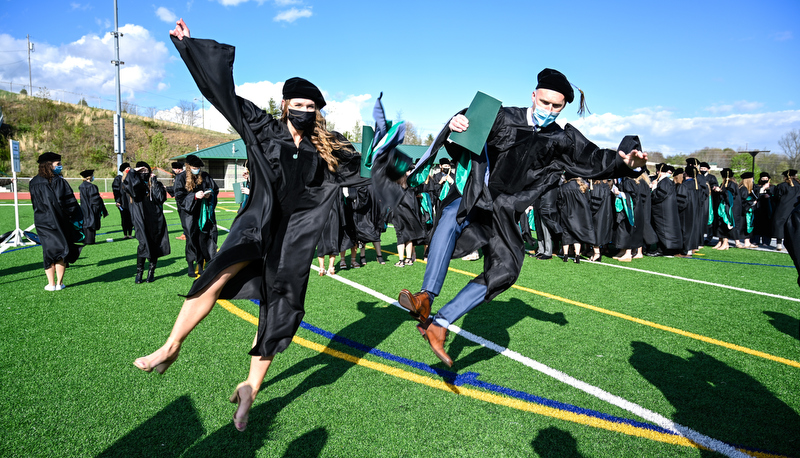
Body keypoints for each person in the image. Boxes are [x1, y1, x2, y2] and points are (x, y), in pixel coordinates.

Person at [134, 19, 367, 432]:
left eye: (313, 108)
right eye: (299, 104)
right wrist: (188, 48)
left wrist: (443, 135)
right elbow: (223, 95)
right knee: (215, 274)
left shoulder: (331, 147)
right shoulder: (263, 128)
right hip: (257, 225)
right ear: (285, 105)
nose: (306, 111)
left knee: (280, 311)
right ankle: (170, 346)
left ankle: (249, 392)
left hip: (291, 240)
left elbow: (371, 171)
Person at [397, 68, 646, 366]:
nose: (549, 110)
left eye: (556, 106)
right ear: (533, 96)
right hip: (477, 195)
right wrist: (454, 124)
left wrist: (624, 163)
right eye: (544, 103)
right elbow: (462, 130)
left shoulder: (561, 139)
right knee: (451, 216)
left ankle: (439, 325)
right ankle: (426, 297)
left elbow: (593, 159)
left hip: (504, 210)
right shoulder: (501, 117)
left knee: (506, 271)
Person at [30, 152, 83, 291]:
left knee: (48, 250)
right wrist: (75, 216)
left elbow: (34, 204)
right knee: (62, 249)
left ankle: (51, 284)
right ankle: (59, 283)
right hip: (60, 221)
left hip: (42, 221)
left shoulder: (33, 182)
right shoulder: (59, 181)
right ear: (49, 165)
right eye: (58, 164)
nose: (60, 166)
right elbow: (68, 203)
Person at [123, 161, 171, 283]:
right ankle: (139, 272)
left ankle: (151, 272)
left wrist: (154, 182)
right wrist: (134, 171)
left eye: (146, 171)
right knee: (143, 245)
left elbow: (160, 198)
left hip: (155, 219)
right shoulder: (136, 185)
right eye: (141, 171)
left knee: (154, 244)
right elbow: (129, 185)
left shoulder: (155, 184)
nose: (144, 173)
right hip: (140, 219)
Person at [174, 154, 219, 277]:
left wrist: (209, 194)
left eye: (198, 167)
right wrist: (193, 196)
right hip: (189, 214)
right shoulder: (181, 178)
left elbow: (214, 189)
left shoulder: (204, 176)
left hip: (203, 212)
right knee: (191, 239)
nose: (196, 169)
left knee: (203, 239)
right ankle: (190, 265)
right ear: (188, 166)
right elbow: (179, 196)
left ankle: (200, 266)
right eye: (194, 167)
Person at [556, 177, 594, 263]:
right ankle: (577, 256)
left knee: (566, 233)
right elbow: (588, 201)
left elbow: (559, 201)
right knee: (577, 235)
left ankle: (565, 256)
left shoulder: (563, 187)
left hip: (566, 213)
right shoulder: (582, 187)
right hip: (579, 214)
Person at [771, 170, 800, 251]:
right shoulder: (799, 185)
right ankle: (791, 245)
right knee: (793, 225)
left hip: (783, 208)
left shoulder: (782, 185)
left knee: (780, 224)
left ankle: (779, 244)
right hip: (795, 208)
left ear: (785, 177)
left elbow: (777, 197)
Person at [711, 168, 739, 250]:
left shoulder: (731, 184)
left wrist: (721, 190)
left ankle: (725, 243)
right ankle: (720, 242)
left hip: (728, 207)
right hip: (722, 206)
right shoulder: (724, 183)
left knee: (725, 224)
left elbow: (730, 194)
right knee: (720, 224)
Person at [78, 169, 108, 245]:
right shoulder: (92, 186)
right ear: (90, 177)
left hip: (84, 207)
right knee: (92, 222)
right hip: (92, 207)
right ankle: (90, 240)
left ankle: (85, 240)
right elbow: (95, 199)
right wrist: (99, 207)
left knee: (86, 222)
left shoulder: (81, 186)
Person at [166, 161, 189, 240]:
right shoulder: (183, 175)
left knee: (184, 218)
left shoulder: (181, 176)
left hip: (183, 201)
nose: (173, 170)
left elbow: (178, 189)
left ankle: (186, 234)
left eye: (174, 169)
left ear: (179, 169)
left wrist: (167, 188)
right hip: (185, 200)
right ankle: (185, 233)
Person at [112, 162, 134, 239]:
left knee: (131, 217)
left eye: (129, 167)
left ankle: (130, 234)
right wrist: (117, 201)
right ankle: (125, 234)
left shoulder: (131, 177)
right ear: (123, 170)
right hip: (122, 201)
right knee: (124, 217)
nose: (129, 169)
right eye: (127, 168)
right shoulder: (118, 179)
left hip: (130, 200)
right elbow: (116, 191)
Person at [752, 172, 773, 247]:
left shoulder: (772, 187)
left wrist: (769, 196)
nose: (764, 180)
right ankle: (755, 240)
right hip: (758, 208)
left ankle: (766, 241)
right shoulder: (756, 186)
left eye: (766, 178)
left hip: (767, 208)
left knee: (767, 225)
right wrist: (763, 188)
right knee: (757, 224)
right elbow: (755, 194)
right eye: (763, 178)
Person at [738, 172, 758, 248]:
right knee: (745, 225)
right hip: (744, 211)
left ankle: (747, 242)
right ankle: (742, 242)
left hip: (747, 210)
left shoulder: (746, 188)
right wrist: (752, 202)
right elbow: (742, 201)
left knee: (748, 225)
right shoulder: (743, 189)